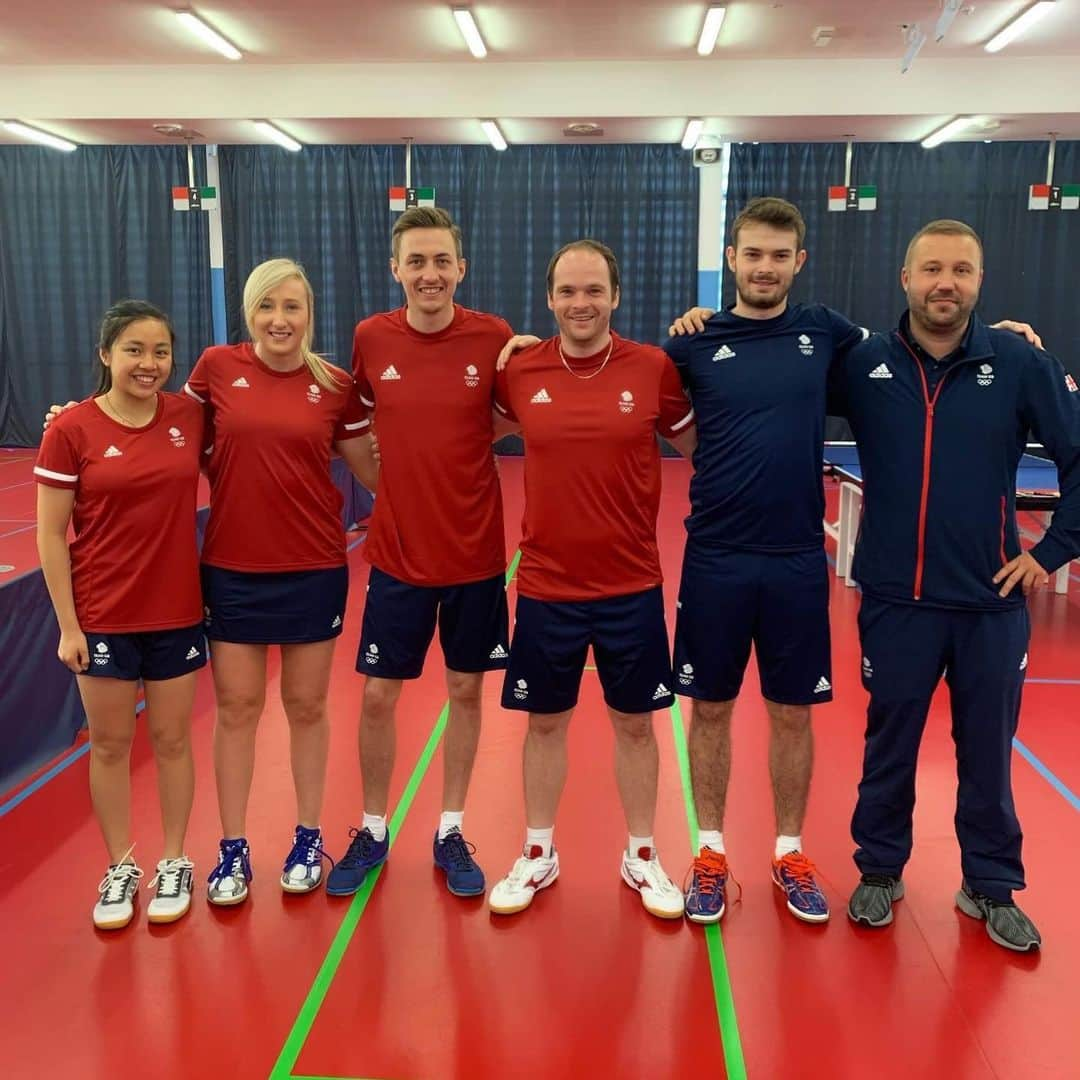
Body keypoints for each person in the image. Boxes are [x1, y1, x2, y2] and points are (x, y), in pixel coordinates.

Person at [838, 219, 1079, 951]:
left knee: (987, 753)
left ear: (979, 281)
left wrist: (1053, 552)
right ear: (905, 279)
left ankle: (991, 884)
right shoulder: (862, 363)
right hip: (895, 601)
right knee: (889, 746)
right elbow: (774, 372)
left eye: (962, 271)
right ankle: (879, 869)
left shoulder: (1018, 361)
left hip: (989, 604)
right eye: (932, 269)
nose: (947, 283)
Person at [663, 198, 869, 925]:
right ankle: (711, 852)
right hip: (716, 556)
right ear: (731, 260)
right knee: (710, 709)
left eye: (779, 256)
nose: (764, 267)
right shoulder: (693, 342)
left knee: (791, 713)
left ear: (798, 263)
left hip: (793, 561)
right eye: (752, 254)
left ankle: (788, 852)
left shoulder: (824, 331)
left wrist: (1006, 340)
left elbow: (909, 354)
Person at [486, 239, 697, 919]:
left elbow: (704, 446)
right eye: (568, 292)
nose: (582, 304)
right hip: (546, 584)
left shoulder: (653, 368)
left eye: (594, 291)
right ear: (549, 299)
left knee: (636, 726)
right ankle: (539, 854)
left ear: (616, 296)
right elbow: (464, 436)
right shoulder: (520, 371)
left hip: (631, 583)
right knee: (545, 723)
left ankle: (641, 856)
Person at [326, 207, 515, 899]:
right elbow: (348, 418)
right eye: (417, 261)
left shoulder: (492, 336)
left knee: (465, 692)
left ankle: (451, 827)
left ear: (460, 268)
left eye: (441, 261)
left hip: (475, 556)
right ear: (395, 268)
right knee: (378, 697)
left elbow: (517, 410)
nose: (429, 273)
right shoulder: (370, 338)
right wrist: (394, 484)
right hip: (399, 556)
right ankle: (373, 828)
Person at [183, 258, 376, 905]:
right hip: (233, 571)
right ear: (249, 312)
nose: (280, 319)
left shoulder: (334, 384)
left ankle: (306, 836)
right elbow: (164, 435)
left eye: (292, 307)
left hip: (314, 568)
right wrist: (80, 419)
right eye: (268, 306)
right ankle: (233, 848)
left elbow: (374, 470)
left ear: (308, 313)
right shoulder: (216, 369)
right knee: (237, 709)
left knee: (308, 707)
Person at [36, 300, 205, 929]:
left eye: (160, 351)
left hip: (178, 612)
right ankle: (120, 865)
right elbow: (52, 536)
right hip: (102, 614)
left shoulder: (189, 415)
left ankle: (173, 859)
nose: (149, 363)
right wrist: (69, 626)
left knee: (171, 740)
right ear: (106, 355)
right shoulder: (71, 429)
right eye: (134, 350)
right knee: (110, 745)